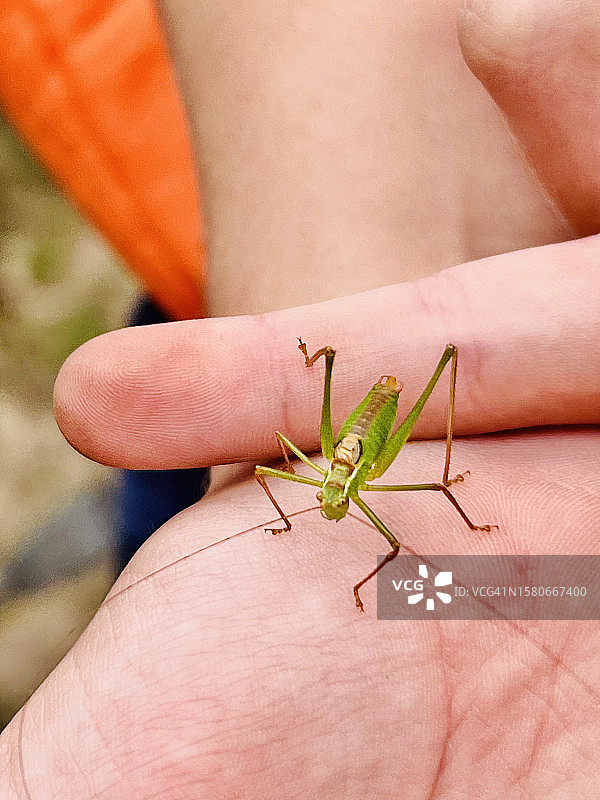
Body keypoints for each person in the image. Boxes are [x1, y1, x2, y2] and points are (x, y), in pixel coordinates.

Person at [2, 0, 600, 796]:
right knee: (198, 497)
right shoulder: (304, 480)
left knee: (423, 414)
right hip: (252, 315)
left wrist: (537, 565)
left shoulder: (369, 496)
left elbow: (402, 563)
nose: (324, 500)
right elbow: (297, 476)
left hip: (364, 401)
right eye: (319, 496)